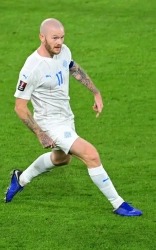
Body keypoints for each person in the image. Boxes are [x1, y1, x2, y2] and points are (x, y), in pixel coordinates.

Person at [5, 18, 142, 217]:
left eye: (61, 37)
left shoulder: (63, 51)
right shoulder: (31, 68)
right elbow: (19, 107)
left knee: (62, 159)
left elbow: (72, 67)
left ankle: (20, 179)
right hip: (49, 123)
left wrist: (95, 92)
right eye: (54, 38)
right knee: (91, 154)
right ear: (42, 37)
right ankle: (118, 203)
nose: (59, 42)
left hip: (66, 117)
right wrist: (40, 133)